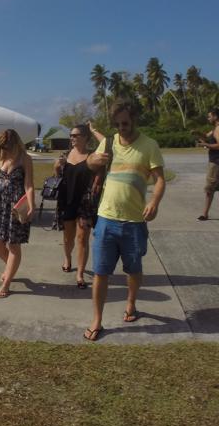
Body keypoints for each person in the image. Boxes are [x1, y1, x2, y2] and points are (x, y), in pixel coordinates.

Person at [83, 100, 165, 341]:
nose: (122, 128)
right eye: (117, 124)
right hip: (106, 219)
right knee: (100, 272)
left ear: (135, 119)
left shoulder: (149, 145)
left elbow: (159, 179)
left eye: (126, 123)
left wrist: (154, 202)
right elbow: (89, 163)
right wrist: (92, 161)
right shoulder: (108, 142)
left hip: (135, 222)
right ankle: (97, 319)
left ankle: (131, 303)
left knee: (133, 268)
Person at [0, 129, 35, 298]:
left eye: (8, 146)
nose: (6, 149)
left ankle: (7, 283)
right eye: (3, 146)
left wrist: (32, 205)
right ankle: (11, 268)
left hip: (16, 207)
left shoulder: (25, 159)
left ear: (15, 144)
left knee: (13, 245)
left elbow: (29, 184)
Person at [53, 122, 106, 288]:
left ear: (85, 138)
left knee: (82, 238)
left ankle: (80, 273)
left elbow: (107, 146)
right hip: (67, 200)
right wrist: (56, 167)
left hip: (85, 201)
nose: (72, 138)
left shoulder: (93, 156)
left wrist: (94, 129)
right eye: (71, 135)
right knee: (68, 238)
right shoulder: (65, 155)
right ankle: (68, 258)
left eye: (76, 135)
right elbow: (57, 178)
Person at [197, 108, 219, 220]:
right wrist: (198, 134)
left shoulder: (218, 129)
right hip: (215, 162)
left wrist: (205, 144)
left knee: (209, 189)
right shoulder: (214, 129)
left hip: (215, 163)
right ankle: (205, 214)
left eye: (210, 116)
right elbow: (206, 136)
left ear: (215, 116)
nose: (208, 118)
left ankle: (205, 214)